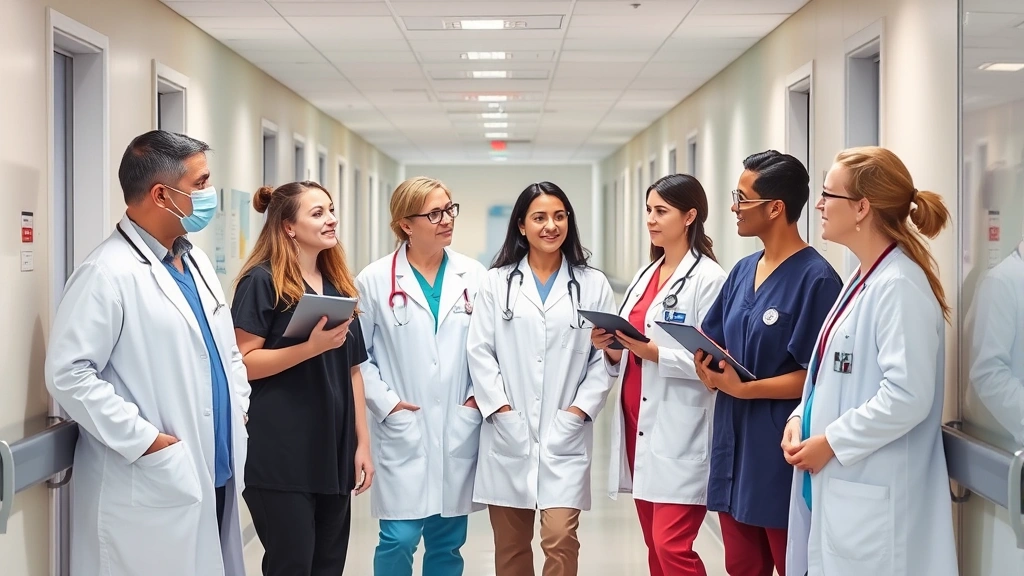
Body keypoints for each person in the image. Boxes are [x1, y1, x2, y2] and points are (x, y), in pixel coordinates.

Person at [44, 130, 250, 576]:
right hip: (157, 475)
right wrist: (147, 442)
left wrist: (239, 407)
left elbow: (226, 352)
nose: (208, 194)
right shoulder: (107, 272)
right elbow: (69, 373)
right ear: (162, 194)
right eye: (201, 183)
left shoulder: (192, 262)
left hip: (214, 471)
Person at [782, 146, 957, 576]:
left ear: (862, 207)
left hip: (874, 497)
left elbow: (908, 395)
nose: (819, 204)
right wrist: (801, 416)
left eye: (829, 195)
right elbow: (829, 373)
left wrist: (831, 441)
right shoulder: (864, 277)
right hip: (845, 487)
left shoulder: (898, 286)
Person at [693, 150, 842, 576]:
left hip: (779, 446)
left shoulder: (817, 279)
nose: (734, 208)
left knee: (790, 562)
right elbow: (713, 336)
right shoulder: (742, 270)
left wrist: (745, 389)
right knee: (741, 565)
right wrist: (707, 367)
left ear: (776, 208)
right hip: (733, 441)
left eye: (742, 198)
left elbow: (815, 378)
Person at [466, 182, 616, 576]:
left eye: (559, 216)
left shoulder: (592, 283)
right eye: (539, 217)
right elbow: (480, 352)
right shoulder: (497, 283)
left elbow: (604, 358)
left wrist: (577, 411)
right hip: (507, 430)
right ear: (521, 226)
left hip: (565, 429)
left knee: (560, 538)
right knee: (512, 549)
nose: (551, 226)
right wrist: (501, 410)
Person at [231, 180, 373, 576]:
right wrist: (311, 348)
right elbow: (243, 363)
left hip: (333, 449)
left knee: (327, 566)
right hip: (281, 452)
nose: (331, 219)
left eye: (330, 210)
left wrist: (362, 443)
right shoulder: (262, 282)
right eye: (318, 213)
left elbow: (353, 371)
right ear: (288, 227)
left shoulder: (339, 285)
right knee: (292, 564)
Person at [594, 174, 727, 576]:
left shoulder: (709, 279)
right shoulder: (644, 274)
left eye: (661, 211)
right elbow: (632, 341)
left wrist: (654, 353)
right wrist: (612, 347)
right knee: (655, 546)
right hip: (639, 423)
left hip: (680, 427)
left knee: (672, 547)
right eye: (648, 210)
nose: (651, 219)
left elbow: (716, 363)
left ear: (690, 216)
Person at [355, 177, 487, 576]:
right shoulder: (375, 280)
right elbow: (358, 356)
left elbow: (489, 349)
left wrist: (474, 399)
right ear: (406, 225)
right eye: (435, 213)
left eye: (450, 209)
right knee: (399, 537)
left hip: (458, 422)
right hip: (402, 421)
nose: (447, 219)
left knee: (448, 543)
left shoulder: (475, 276)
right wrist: (387, 403)